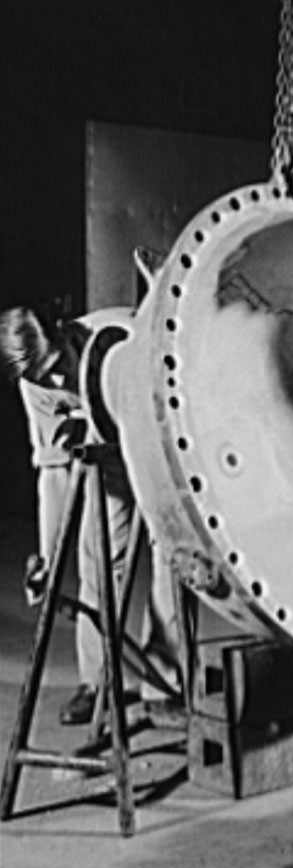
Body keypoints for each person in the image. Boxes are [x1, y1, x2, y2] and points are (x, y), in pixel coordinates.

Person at [0, 306, 184, 723]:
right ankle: (96, 681)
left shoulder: (122, 333)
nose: (58, 382)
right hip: (110, 452)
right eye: (43, 379)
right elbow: (53, 470)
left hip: (161, 441)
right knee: (97, 558)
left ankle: (166, 685)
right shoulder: (36, 383)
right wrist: (47, 562)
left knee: (172, 556)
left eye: (58, 366)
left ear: (62, 333)